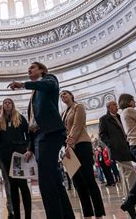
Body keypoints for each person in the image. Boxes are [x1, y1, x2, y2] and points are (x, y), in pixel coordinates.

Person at [8, 62, 74, 219]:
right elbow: (33, 122)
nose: (29, 70)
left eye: (32, 68)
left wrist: (23, 84)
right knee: (54, 179)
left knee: (45, 179)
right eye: (28, 69)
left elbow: (47, 86)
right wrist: (30, 146)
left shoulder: (50, 80)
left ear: (42, 70)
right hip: (39, 137)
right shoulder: (35, 94)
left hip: (50, 134)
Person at [99, 101, 136, 213]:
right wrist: (111, 144)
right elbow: (102, 135)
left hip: (128, 147)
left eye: (116, 105)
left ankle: (127, 198)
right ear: (109, 107)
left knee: (125, 173)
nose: (116, 107)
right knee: (130, 172)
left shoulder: (120, 116)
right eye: (114, 105)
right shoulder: (104, 119)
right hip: (117, 149)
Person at [60, 90, 105, 219]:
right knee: (78, 182)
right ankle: (87, 213)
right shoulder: (63, 113)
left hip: (81, 145)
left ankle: (99, 213)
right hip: (69, 149)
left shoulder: (78, 107)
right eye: (61, 95)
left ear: (71, 96)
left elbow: (77, 125)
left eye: (65, 94)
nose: (63, 96)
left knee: (89, 179)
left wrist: (69, 142)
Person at [0, 98, 32, 219]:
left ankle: (28, 216)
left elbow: (28, 134)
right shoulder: (0, 120)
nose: (7, 104)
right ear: (3, 106)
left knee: (22, 184)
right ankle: (17, 215)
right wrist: (0, 153)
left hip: (19, 154)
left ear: (13, 104)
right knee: (12, 185)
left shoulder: (20, 117)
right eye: (5, 103)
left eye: (9, 102)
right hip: (6, 156)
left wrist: (28, 147)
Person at [0, 105, 14, 219]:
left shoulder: (8, 121)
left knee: (8, 184)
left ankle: (11, 210)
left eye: (0, 109)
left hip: (6, 156)